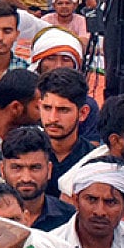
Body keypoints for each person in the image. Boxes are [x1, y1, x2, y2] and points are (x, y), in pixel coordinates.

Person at [50, 158, 124, 248]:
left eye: (111, 202)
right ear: (76, 201)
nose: (100, 212)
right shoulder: (50, 247)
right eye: (91, 199)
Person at [0, 126, 76, 232]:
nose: (26, 178)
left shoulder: (70, 219)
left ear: (49, 170)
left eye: (35, 168)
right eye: (17, 168)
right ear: (2, 170)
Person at [39, 68, 96, 197]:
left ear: (83, 113)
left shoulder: (93, 161)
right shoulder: (22, 153)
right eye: (47, 108)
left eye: (63, 110)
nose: (53, 118)